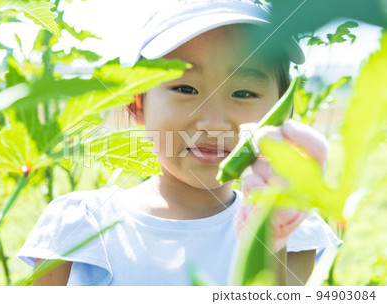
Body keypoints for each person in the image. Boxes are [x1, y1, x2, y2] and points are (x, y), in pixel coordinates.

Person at [17, 0, 341, 286]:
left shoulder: (294, 229)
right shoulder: (78, 225)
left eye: (244, 93)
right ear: (137, 104)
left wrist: (273, 238)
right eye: (185, 89)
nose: (213, 122)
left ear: (281, 113)